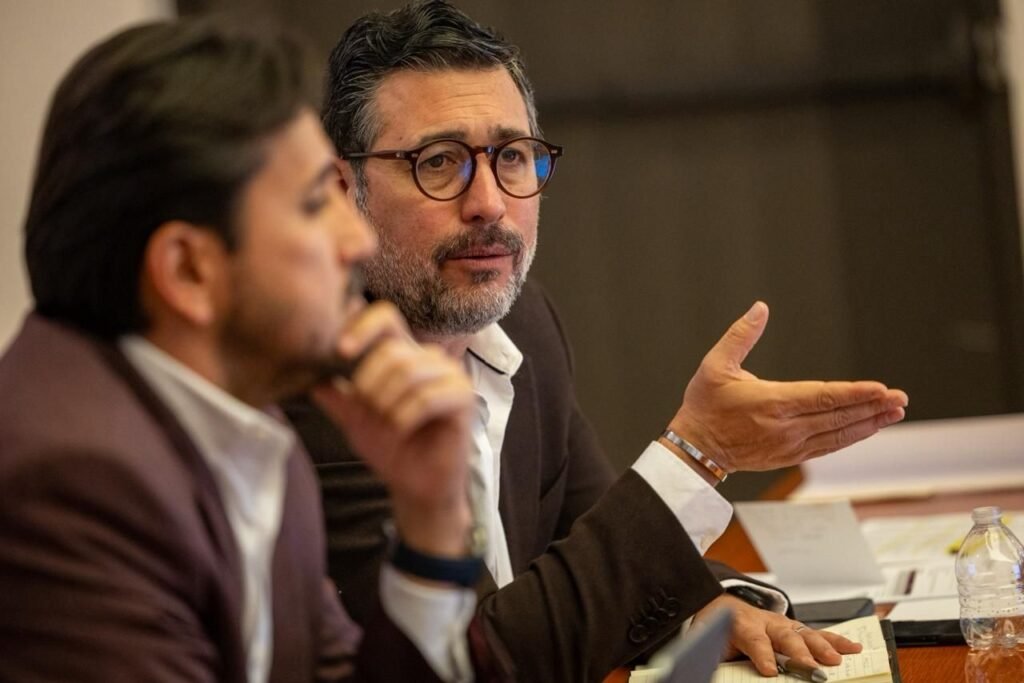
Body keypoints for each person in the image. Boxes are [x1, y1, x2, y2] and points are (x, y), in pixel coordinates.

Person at [285, 2, 909, 680]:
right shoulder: (313, 387)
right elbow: (482, 659)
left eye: (512, 157)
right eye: (439, 162)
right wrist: (699, 452)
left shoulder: (523, 323)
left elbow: (589, 539)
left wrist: (705, 606)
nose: (489, 202)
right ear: (344, 190)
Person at [0, 16, 512, 683]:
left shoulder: (251, 430)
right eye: (314, 203)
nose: (357, 241)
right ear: (189, 271)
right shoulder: (71, 481)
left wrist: (432, 522)